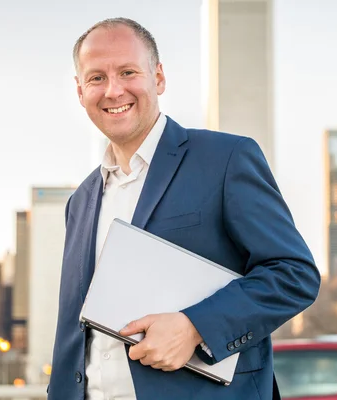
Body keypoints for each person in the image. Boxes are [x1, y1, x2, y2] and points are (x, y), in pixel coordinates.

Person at [47, 17, 320, 400]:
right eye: (96, 78)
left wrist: (195, 327)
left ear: (158, 78)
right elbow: (73, 336)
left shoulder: (226, 159)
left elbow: (294, 275)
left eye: (128, 72)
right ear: (80, 91)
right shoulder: (81, 200)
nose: (113, 90)